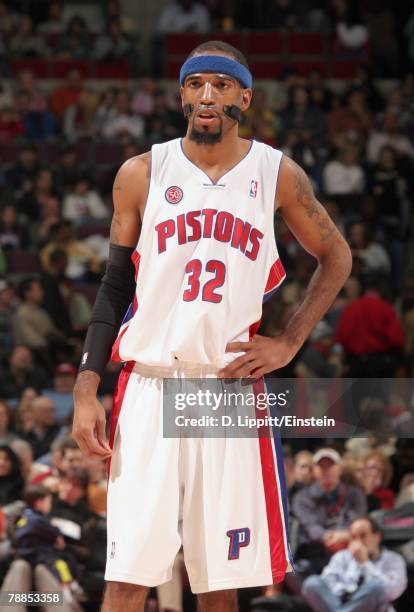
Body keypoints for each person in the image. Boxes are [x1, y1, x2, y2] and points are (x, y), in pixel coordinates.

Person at [72, 40, 352, 612]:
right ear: (181, 95)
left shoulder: (276, 174)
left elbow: (337, 255)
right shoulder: (141, 172)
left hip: (226, 388)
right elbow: (113, 287)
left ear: (244, 96)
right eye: (195, 83)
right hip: (149, 384)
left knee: (219, 583)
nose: (207, 94)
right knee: (127, 576)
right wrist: (85, 385)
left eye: (221, 85)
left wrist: (291, 340)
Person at [302, 516, 407, 612]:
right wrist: (349, 594)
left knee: (375, 586)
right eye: (353, 537)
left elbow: (391, 591)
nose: (358, 542)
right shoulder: (342, 556)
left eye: (363, 536)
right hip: (341, 602)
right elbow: (327, 581)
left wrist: (365, 563)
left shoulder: (394, 559)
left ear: (377, 536)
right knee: (312, 583)